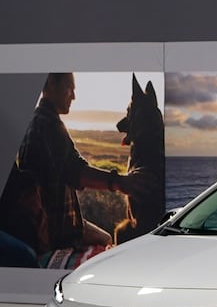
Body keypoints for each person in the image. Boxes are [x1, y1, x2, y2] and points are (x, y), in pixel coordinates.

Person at [11, 73, 146, 253]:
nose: (73, 97)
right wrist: (120, 183)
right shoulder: (47, 124)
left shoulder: (37, 121)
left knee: (106, 237)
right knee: (108, 243)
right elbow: (75, 171)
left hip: (56, 224)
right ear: (51, 83)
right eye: (69, 88)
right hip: (56, 230)